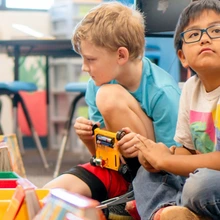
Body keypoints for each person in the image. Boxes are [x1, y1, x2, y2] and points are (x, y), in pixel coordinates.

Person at [44, 1, 180, 218]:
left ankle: (140, 200)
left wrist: (140, 149)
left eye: (90, 59)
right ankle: (124, 197)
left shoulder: (162, 91)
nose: (84, 67)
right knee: (46, 197)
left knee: (108, 95)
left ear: (121, 55)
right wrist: (89, 137)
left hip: (156, 176)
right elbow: (102, 155)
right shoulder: (95, 84)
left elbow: (174, 165)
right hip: (116, 171)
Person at [132, 0, 220, 219]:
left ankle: (164, 209)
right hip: (202, 176)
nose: (205, 38)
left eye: (216, 30)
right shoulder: (191, 87)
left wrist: (168, 161)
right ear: (182, 57)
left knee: (199, 185)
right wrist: (161, 154)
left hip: (210, 182)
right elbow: (189, 150)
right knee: (145, 174)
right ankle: (172, 212)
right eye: (193, 35)